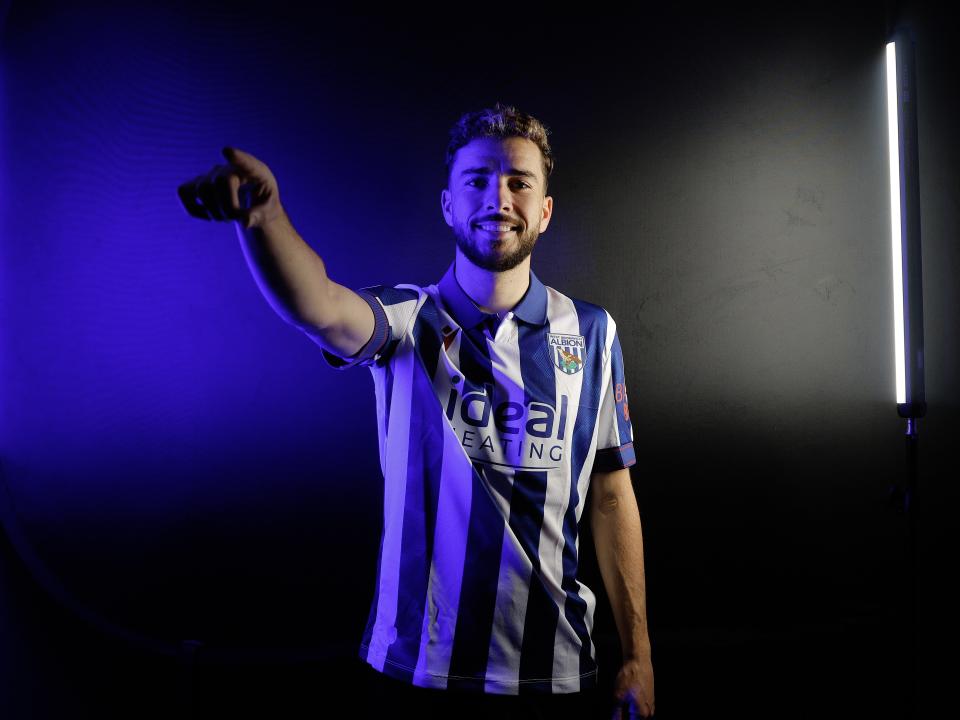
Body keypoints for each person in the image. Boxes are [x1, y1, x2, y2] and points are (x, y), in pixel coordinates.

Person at [177, 103, 655, 719]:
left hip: (556, 672)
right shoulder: (407, 319)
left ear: (545, 210)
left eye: (518, 182)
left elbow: (613, 496)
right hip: (417, 671)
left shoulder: (592, 334)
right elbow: (320, 307)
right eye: (477, 181)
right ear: (448, 205)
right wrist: (263, 218)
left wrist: (638, 655)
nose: (498, 197)